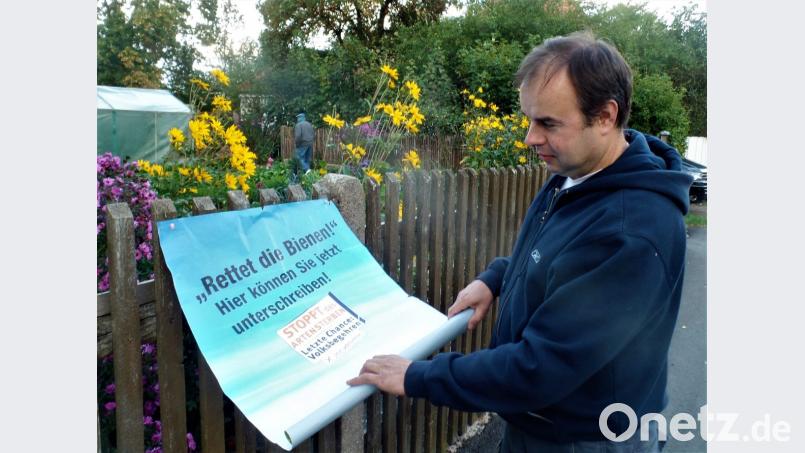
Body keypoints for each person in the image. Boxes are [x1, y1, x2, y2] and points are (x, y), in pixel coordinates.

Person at [348, 31, 693, 452]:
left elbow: (540, 368)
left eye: (548, 123)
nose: (530, 137)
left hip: (584, 440)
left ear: (605, 116)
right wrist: (497, 277)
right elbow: (556, 258)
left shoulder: (630, 230)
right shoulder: (578, 173)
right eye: (529, 119)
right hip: (544, 423)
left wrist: (417, 375)